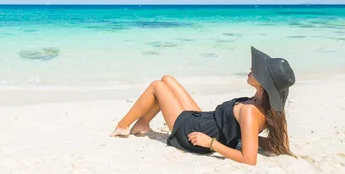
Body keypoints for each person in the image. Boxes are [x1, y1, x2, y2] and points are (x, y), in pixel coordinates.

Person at [109, 46, 296, 165]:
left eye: (255, 70)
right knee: (167, 79)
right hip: (204, 120)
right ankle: (143, 122)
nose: (250, 70)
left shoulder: (250, 112)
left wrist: (211, 143)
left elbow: (249, 159)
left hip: (193, 132)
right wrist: (249, 140)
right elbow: (263, 140)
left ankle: (123, 126)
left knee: (157, 86)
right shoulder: (261, 104)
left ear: (263, 82)